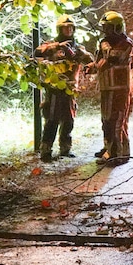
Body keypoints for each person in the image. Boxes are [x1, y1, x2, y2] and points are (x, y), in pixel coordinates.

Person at [33, 15, 93, 161]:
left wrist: (85, 59)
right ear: (59, 29)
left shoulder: (77, 48)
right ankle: (46, 150)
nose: (69, 30)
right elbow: (36, 53)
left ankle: (65, 149)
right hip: (54, 89)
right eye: (66, 28)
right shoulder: (51, 45)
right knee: (51, 120)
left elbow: (91, 62)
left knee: (68, 120)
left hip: (70, 90)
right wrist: (58, 46)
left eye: (71, 28)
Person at [88, 10, 133, 166]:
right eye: (104, 27)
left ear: (117, 27)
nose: (105, 31)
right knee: (106, 121)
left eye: (108, 27)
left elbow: (113, 57)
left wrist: (104, 47)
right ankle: (109, 149)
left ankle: (117, 155)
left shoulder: (126, 44)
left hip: (120, 91)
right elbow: (101, 62)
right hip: (107, 89)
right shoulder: (105, 43)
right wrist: (92, 67)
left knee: (116, 123)